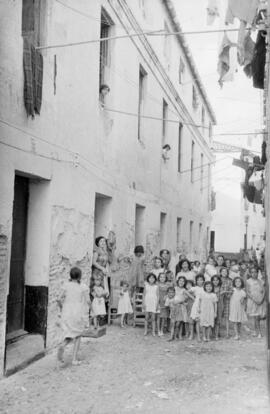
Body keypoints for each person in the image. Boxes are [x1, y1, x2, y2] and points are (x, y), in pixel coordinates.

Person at [57, 267, 90, 366]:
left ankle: (63, 345)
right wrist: (92, 309)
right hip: (77, 312)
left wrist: (61, 307)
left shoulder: (66, 285)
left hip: (66, 311)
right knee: (78, 334)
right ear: (80, 276)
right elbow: (88, 301)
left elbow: (58, 299)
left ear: (70, 276)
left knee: (69, 332)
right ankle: (74, 359)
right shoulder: (83, 287)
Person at [246, 267, 265, 338]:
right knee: (255, 317)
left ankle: (258, 331)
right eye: (252, 272)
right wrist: (254, 300)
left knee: (257, 317)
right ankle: (257, 331)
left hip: (260, 301)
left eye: (255, 272)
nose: (254, 274)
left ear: (258, 273)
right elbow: (248, 292)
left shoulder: (261, 281)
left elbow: (264, 291)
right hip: (253, 301)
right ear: (250, 273)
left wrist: (261, 299)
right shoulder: (248, 281)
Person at [190, 274, 205, 341]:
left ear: (203, 281)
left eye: (201, 280)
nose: (199, 281)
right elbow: (186, 292)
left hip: (203, 305)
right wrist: (193, 298)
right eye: (198, 280)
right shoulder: (194, 288)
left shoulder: (205, 288)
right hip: (196, 304)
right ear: (196, 281)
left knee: (199, 321)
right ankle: (191, 335)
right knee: (193, 320)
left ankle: (199, 336)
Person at [220, 266, 233, 338]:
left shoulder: (230, 280)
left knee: (227, 317)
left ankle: (227, 333)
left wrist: (225, 292)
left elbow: (231, 290)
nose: (224, 273)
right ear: (220, 273)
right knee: (219, 317)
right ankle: (218, 332)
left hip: (227, 300)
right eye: (223, 271)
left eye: (226, 272)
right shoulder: (218, 279)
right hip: (219, 300)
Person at [211, 275, 222, 340]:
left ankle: (217, 334)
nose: (215, 281)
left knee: (218, 320)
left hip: (219, 305)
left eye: (217, 280)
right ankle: (213, 333)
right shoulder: (210, 288)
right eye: (214, 280)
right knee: (212, 319)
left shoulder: (221, 288)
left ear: (219, 281)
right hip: (211, 305)